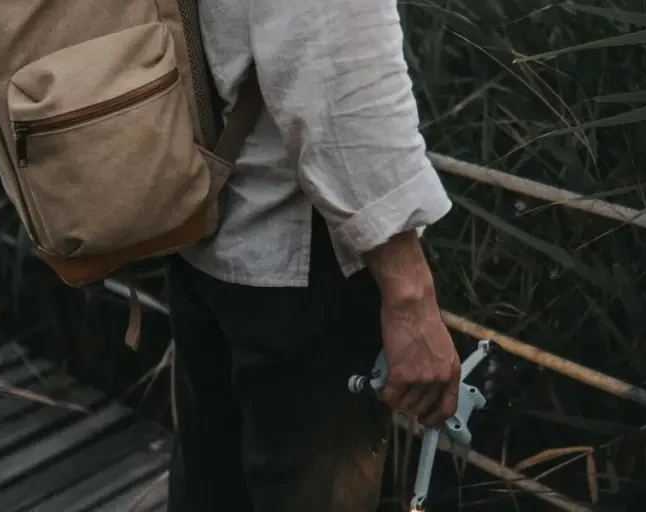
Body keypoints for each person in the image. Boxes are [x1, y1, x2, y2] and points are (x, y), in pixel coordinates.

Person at [166, 0, 461, 510]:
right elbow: (338, 73)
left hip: (200, 230)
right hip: (296, 255)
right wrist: (409, 293)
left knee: (211, 487)